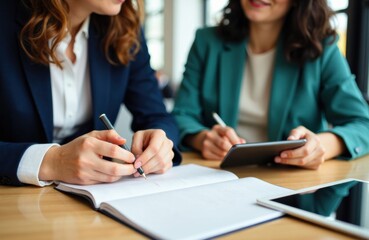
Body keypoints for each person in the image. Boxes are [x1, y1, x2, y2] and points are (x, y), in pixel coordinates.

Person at [0, 0, 181, 186]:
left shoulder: (125, 28)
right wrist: (53, 161)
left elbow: (157, 115)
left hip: (89, 199)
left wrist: (162, 143)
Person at [172, 0, 369, 169]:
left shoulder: (322, 48)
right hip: (218, 174)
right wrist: (202, 139)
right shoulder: (207, 42)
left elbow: (363, 125)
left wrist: (320, 146)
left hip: (292, 183)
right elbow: (182, 115)